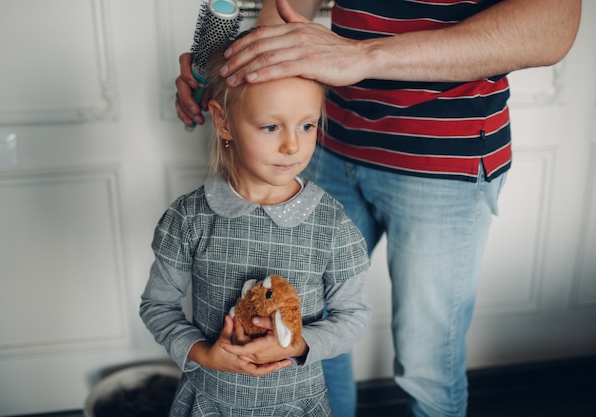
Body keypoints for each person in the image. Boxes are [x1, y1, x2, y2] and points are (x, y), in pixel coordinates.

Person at [174, 1, 582, 416]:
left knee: (427, 365)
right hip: (332, 143)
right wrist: (247, 70)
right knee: (306, 330)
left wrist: (363, 55)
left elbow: (554, 24)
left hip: (442, 160)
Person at [140, 40, 372, 417]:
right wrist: (204, 354)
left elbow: (354, 317)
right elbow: (158, 305)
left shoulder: (332, 225)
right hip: (211, 401)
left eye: (307, 125)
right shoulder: (190, 217)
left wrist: (297, 344)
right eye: (270, 126)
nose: (292, 145)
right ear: (223, 121)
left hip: (296, 405)